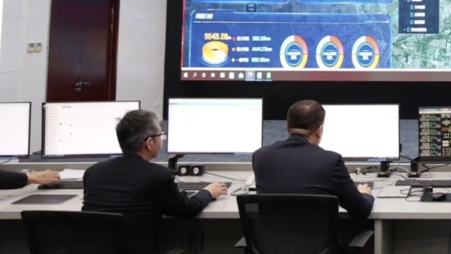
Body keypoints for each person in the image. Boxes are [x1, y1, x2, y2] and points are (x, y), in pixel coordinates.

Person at [83, 110, 228, 254]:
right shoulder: (158, 176)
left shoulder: (93, 172)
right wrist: (208, 192)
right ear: (150, 143)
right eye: (161, 135)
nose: (162, 140)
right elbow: (188, 209)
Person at [252, 100, 374, 219]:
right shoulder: (330, 160)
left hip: (269, 232)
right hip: (315, 233)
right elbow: (361, 211)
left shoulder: (260, 156)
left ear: (287, 125)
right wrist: (364, 194)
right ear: (320, 130)